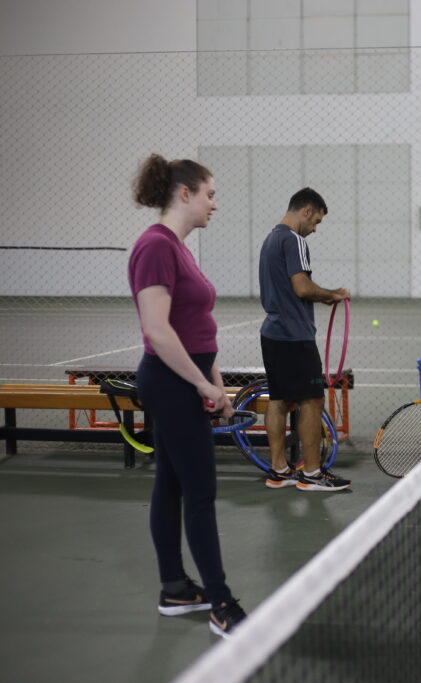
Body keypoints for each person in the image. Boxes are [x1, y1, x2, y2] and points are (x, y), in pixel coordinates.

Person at [129, 153, 246, 637]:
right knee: (200, 492)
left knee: (171, 485)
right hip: (171, 383)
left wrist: (214, 380)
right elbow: (157, 330)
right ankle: (221, 605)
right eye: (210, 194)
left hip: (188, 379)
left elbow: (194, 328)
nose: (214, 204)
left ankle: (176, 589)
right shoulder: (155, 247)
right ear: (184, 193)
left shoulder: (177, 247)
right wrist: (199, 384)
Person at [258, 188, 351, 492]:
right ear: (308, 210)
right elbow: (302, 287)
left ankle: (279, 470)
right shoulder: (293, 239)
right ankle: (311, 474)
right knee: (312, 400)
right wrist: (332, 295)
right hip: (294, 336)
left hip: (272, 333)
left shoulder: (270, 239)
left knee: (279, 400)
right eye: (317, 222)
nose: (315, 229)